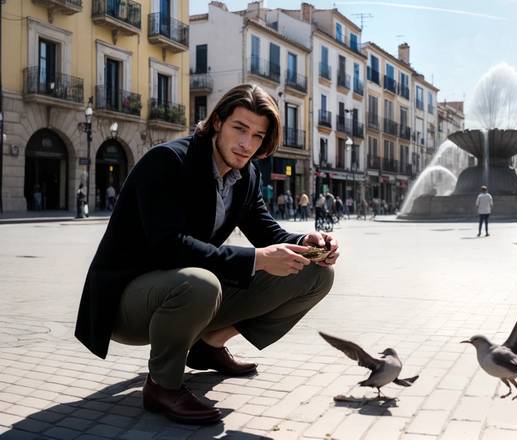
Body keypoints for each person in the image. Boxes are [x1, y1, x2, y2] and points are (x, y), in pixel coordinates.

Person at [74, 84, 339, 425]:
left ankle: (207, 345)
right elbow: (170, 246)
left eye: (258, 136)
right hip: (127, 300)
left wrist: (309, 242)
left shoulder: (246, 175)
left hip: (187, 288)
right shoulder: (168, 162)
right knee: (201, 284)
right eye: (239, 129)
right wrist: (257, 259)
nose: (246, 144)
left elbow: (267, 232)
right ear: (217, 122)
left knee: (315, 274)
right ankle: (162, 386)